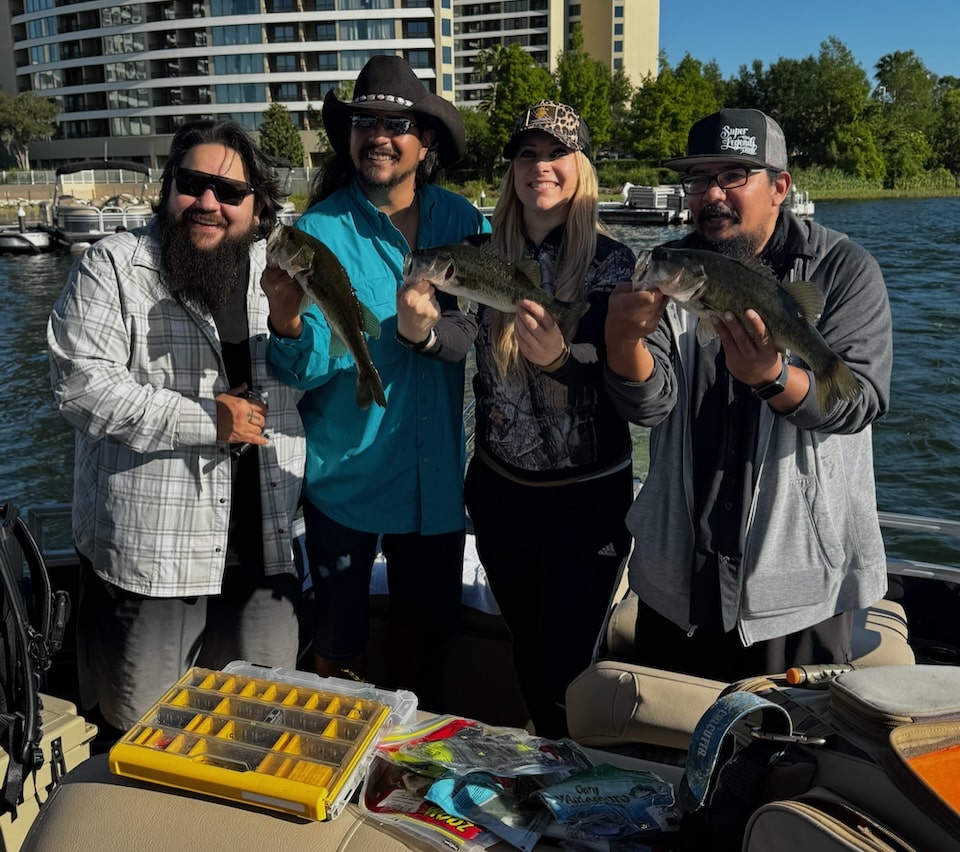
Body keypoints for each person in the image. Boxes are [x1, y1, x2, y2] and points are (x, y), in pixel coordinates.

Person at [604, 108, 892, 682]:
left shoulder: (844, 269)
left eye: (734, 175)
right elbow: (649, 405)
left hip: (799, 592)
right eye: (699, 178)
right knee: (674, 756)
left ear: (780, 186)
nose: (712, 194)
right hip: (679, 584)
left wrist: (774, 378)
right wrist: (620, 340)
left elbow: (860, 401)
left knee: (792, 762)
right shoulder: (670, 268)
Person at [47, 120, 306, 740]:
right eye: (193, 184)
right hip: (154, 557)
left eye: (230, 191)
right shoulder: (114, 267)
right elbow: (81, 386)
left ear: (258, 205)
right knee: (144, 739)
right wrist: (205, 420)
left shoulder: (282, 274)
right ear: (168, 189)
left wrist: (294, 326)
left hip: (265, 546)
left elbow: (317, 379)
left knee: (262, 734)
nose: (209, 203)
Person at [262, 55, 489, 709]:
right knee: (337, 653)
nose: (379, 135)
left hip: (436, 488)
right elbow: (299, 372)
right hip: (345, 488)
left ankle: (405, 779)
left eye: (396, 123)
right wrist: (284, 317)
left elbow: (470, 333)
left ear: (426, 143)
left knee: (428, 651)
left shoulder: (463, 224)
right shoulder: (316, 231)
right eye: (365, 121)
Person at [462, 101, 638, 738]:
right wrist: (417, 329)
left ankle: (573, 788)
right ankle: (541, 771)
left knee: (569, 661)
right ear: (511, 169)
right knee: (525, 648)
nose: (541, 166)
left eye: (557, 153)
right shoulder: (477, 255)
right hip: (500, 492)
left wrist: (564, 363)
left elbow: (636, 390)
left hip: (586, 500)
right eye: (527, 154)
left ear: (581, 166)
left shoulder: (619, 267)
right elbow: (454, 337)